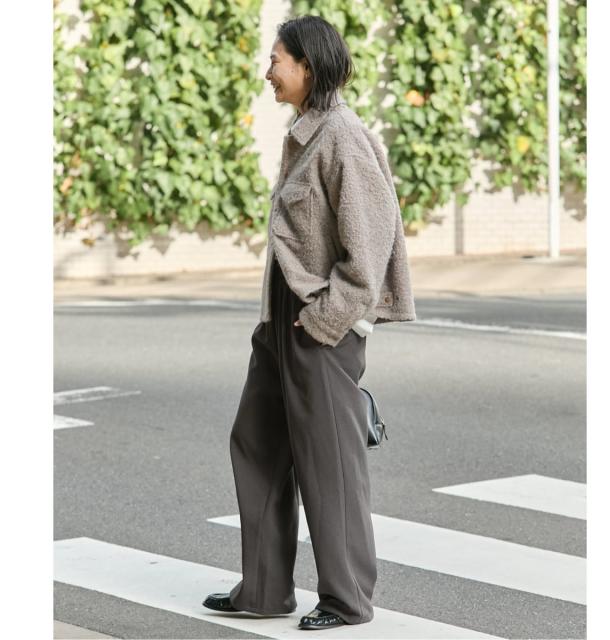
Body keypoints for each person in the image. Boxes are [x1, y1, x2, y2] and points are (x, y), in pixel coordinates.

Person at [202, 15, 416, 631]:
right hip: (282, 322)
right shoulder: (306, 132)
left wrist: (326, 319)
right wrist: (278, 323)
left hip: (319, 327)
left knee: (330, 463)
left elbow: (369, 248)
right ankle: (265, 590)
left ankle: (347, 600)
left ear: (308, 66)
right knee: (257, 443)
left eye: (276, 60)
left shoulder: (342, 137)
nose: (267, 71)